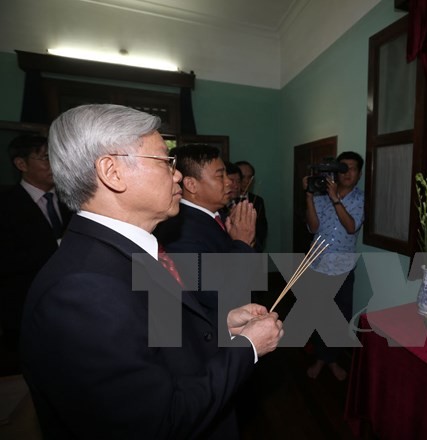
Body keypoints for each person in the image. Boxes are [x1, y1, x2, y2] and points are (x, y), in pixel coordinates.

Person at [20, 104, 283, 439]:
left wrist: (221, 326)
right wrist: (247, 347)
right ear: (112, 172)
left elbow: (151, 337)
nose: (176, 175)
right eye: (165, 161)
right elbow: (158, 423)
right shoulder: (82, 289)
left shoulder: (124, 249)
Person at [0, 134, 72, 354]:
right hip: (26, 306)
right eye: (45, 158)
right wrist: (58, 245)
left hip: (71, 304)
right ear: (21, 164)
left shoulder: (72, 199)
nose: (53, 165)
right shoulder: (6, 206)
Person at [302, 151, 364, 381]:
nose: (347, 172)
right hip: (317, 263)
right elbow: (313, 227)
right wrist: (309, 196)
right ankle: (321, 358)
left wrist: (336, 199)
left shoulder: (361, 199)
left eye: (353, 168)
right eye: (343, 167)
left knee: (340, 315)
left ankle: (332, 359)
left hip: (343, 266)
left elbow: (351, 227)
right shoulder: (320, 196)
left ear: (359, 174)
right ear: (336, 171)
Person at [155, 146, 256, 255]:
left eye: (226, 174)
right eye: (220, 176)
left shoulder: (223, 215)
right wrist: (243, 242)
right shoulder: (180, 232)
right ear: (191, 185)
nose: (229, 182)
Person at [235, 160, 268, 252]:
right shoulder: (225, 201)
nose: (246, 181)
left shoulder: (258, 201)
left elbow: (262, 230)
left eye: (249, 177)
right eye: (242, 177)